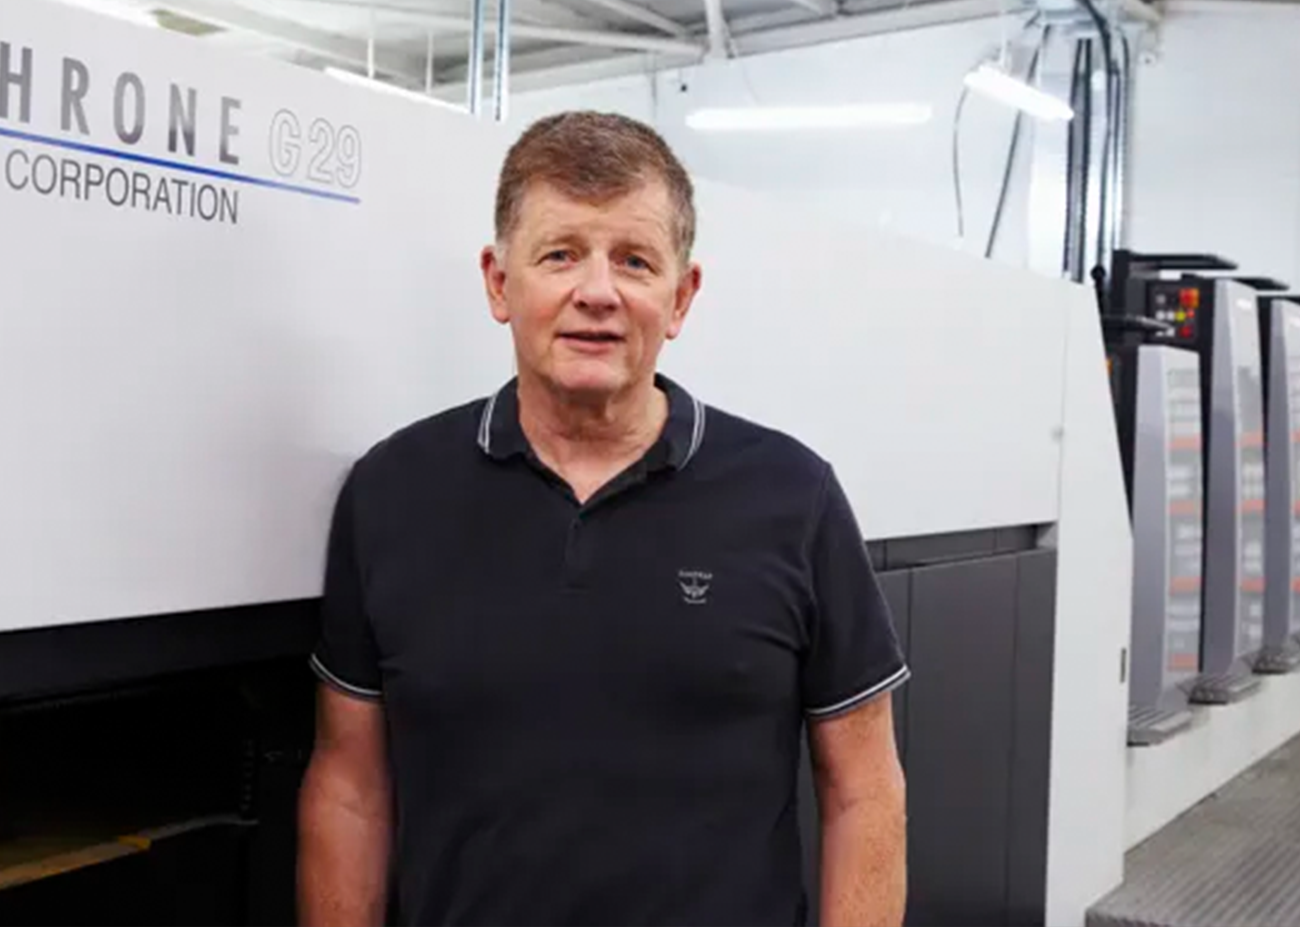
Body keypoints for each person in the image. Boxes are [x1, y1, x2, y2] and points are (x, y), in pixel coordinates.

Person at [297, 111, 909, 927]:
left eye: (635, 260)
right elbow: (350, 791)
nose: (597, 292)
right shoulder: (390, 495)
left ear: (681, 296)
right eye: (560, 254)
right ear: (497, 281)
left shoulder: (793, 498)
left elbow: (865, 788)